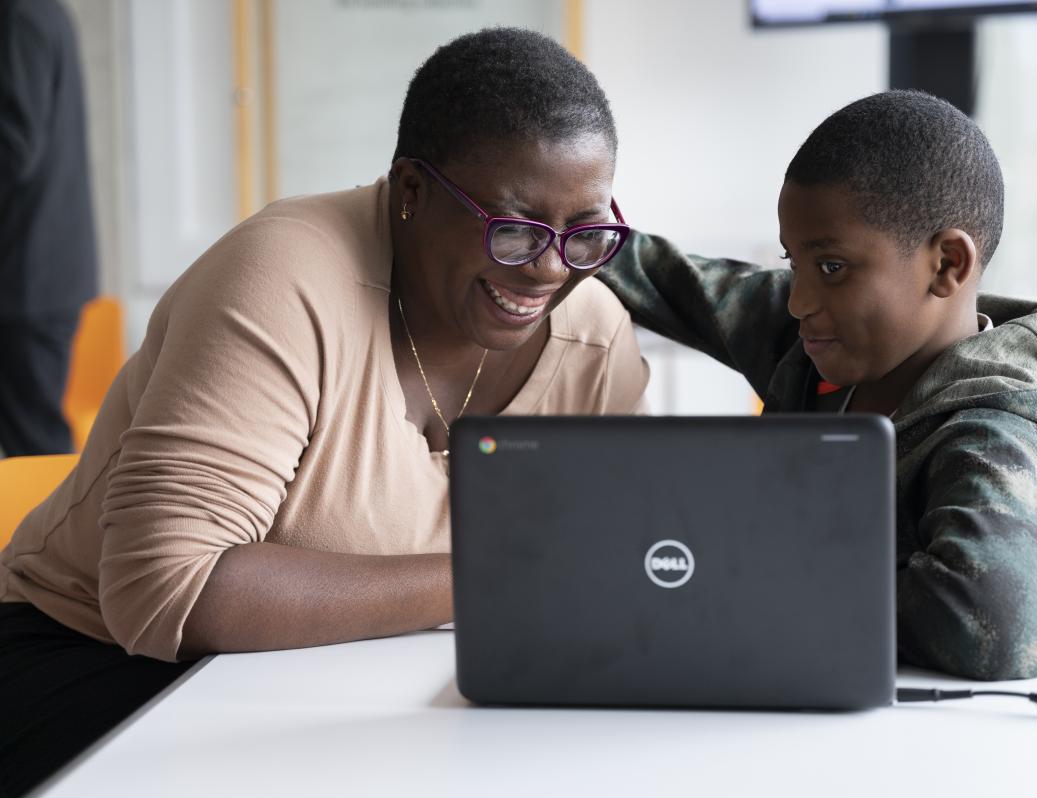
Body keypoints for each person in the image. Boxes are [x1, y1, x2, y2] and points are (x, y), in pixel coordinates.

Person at [0, 28, 647, 795]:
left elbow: (603, 564)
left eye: (586, 234)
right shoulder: (281, 280)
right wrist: (501, 577)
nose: (548, 268)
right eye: (513, 228)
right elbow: (164, 589)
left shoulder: (591, 337)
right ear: (411, 191)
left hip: (354, 677)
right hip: (93, 664)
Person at [598, 90, 1037, 681]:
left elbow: (994, 625)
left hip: (944, 746)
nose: (799, 300)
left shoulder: (996, 430)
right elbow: (677, 284)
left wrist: (753, 582)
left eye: (832, 267)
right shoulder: (822, 337)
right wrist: (571, 235)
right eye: (794, 264)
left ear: (947, 264)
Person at [0, 0, 98, 457]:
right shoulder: (39, 11)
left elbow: (13, 147)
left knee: (35, 444)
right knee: (32, 438)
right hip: (34, 274)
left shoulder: (20, 16)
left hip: (25, 280)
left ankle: (56, 534)